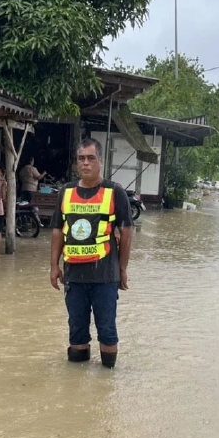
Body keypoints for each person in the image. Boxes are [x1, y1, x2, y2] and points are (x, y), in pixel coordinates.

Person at [50, 138, 133, 369]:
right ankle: (75, 389)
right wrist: (53, 266)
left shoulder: (114, 191)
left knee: (107, 329)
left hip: (105, 276)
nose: (85, 163)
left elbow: (126, 233)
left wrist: (123, 269)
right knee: (76, 332)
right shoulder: (66, 192)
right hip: (74, 275)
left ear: (100, 161)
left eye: (91, 158)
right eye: (81, 159)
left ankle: (107, 385)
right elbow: (57, 230)